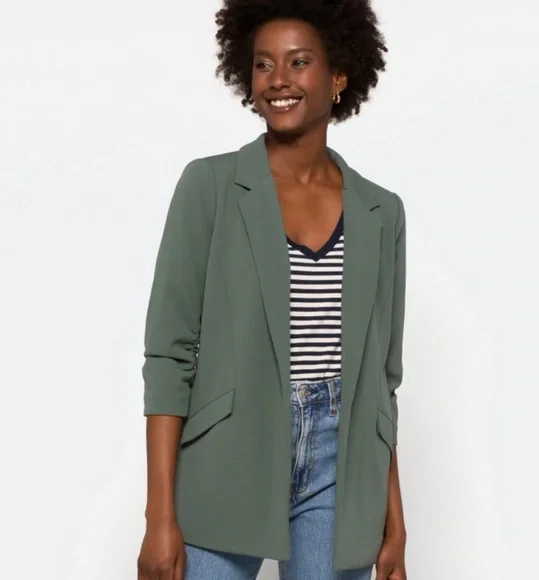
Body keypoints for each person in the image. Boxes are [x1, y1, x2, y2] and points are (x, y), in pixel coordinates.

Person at [137, 1, 407, 579]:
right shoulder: (210, 187)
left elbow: (380, 385)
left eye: (299, 62)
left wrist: (394, 522)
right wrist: (159, 515)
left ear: (339, 76)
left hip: (341, 471)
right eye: (264, 64)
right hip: (226, 458)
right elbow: (169, 355)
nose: (278, 79)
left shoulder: (381, 213)